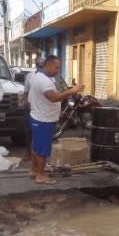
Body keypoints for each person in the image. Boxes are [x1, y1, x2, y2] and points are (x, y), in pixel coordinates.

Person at [28, 55, 83, 184]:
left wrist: (57, 112)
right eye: (56, 67)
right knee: (43, 148)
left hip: (38, 116)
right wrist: (72, 91)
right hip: (43, 120)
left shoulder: (38, 76)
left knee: (36, 146)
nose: (58, 70)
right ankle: (40, 175)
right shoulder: (44, 81)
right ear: (48, 65)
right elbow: (53, 98)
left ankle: (34, 170)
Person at [22, 56, 47, 160]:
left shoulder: (49, 77)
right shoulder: (30, 76)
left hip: (44, 108)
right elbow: (26, 91)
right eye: (39, 65)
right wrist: (25, 100)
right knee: (29, 131)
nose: (41, 67)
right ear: (36, 65)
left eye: (43, 65)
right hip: (32, 108)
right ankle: (28, 152)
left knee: (43, 132)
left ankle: (40, 154)